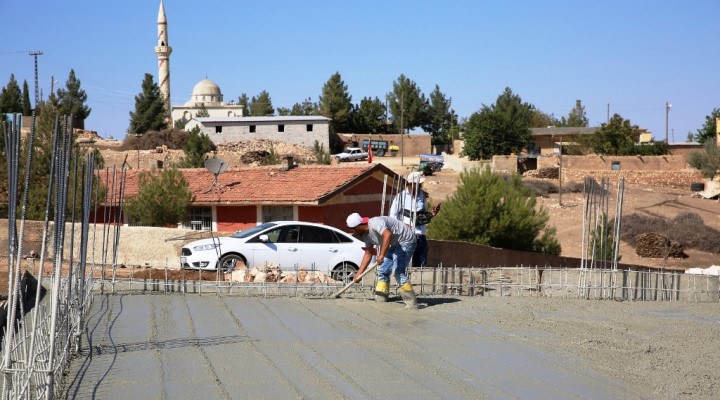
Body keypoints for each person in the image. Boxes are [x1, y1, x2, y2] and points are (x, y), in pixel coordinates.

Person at [346, 212, 419, 308]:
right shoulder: (366, 236)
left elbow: (387, 235)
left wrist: (381, 255)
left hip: (406, 240)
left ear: (356, 227)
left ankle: (411, 303)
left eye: (352, 230)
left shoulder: (375, 222)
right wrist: (359, 273)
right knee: (383, 269)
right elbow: (368, 254)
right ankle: (381, 297)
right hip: (394, 243)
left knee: (398, 271)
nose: (354, 233)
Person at [389, 171, 439, 268]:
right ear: (411, 184)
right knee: (404, 264)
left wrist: (431, 215)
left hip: (421, 235)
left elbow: (422, 215)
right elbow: (393, 216)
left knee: (421, 265)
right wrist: (403, 226)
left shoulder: (422, 196)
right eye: (419, 184)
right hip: (406, 236)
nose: (420, 186)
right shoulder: (401, 197)